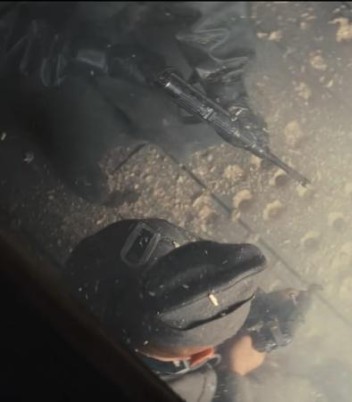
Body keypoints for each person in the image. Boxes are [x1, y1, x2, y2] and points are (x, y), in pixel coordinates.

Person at [0, 2, 267, 204]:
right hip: (41, 49)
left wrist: (226, 80)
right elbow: (10, 41)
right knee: (74, 131)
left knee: (194, 124)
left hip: (121, 20)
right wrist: (96, 56)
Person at [63, 218, 281, 402]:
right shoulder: (191, 390)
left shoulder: (146, 239)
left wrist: (234, 295)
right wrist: (235, 372)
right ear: (202, 357)